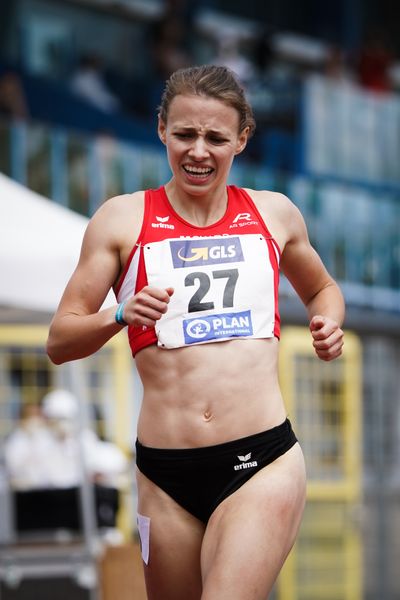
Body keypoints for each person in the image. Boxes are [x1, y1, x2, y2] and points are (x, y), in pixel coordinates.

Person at [46, 65, 344, 599]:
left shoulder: (274, 215)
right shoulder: (120, 221)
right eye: (184, 134)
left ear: (242, 139)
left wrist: (329, 325)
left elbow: (323, 290)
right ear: (161, 129)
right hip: (165, 474)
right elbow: (59, 340)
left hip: (262, 460)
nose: (198, 152)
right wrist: (118, 315)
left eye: (215, 138)